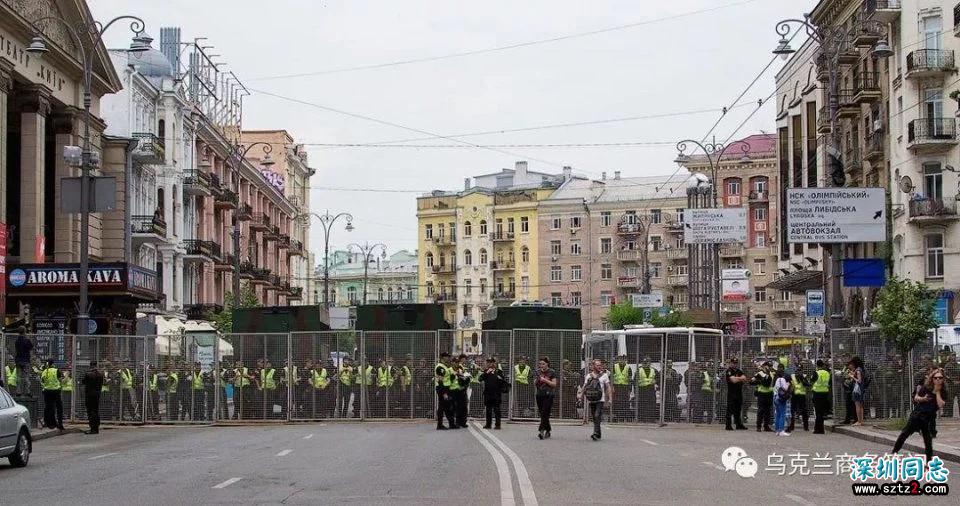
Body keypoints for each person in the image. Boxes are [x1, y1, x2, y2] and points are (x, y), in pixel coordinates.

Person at [892, 368, 948, 462]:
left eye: (940, 378)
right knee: (905, 433)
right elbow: (916, 397)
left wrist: (937, 392)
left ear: (943, 379)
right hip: (918, 415)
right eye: (936, 378)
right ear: (932, 378)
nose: (938, 380)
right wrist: (923, 399)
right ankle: (894, 452)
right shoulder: (926, 387)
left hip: (929, 418)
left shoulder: (943, 391)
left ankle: (928, 461)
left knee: (928, 440)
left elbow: (941, 404)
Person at [580, 359, 611, 441]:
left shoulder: (604, 375)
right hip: (592, 399)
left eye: (600, 365)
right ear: (593, 366)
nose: (599, 367)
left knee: (597, 415)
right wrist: (580, 396)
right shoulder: (589, 376)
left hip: (601, 399)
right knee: (594, 417)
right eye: (597, 365)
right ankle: (598, 433)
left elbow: (608, 387)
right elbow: (585, 386)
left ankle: (595, 433)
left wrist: (610, 399)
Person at [534, 357, 558, 440]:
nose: (541, 365)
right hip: (539, 394)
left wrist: (545, 380)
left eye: (543, 364)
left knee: (545, 412)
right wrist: (537, 380)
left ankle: (541, 430)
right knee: (543, 414)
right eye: (540, 364)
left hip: (548, 395)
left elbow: (554, 384)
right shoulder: (537, 372)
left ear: (547, 364)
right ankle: (548, 429)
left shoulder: (552, 372)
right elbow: (535, 383)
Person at [480, 357, 505, 429]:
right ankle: (488, 424)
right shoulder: (486, 371)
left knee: (497, 409)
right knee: (488, 409)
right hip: (488, 393)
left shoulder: (499, 371)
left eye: (491, 362)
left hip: (496, 393)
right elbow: (480, 379)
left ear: (494, 363)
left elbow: (503, 381)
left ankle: (498, 424)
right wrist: (487, 373)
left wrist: (500, 378)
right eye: (489, 362)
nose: (490, 364)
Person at [723, 357, 748, 430]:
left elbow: (744, 378)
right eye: (733, 363)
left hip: (739, 393)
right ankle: (728, 425)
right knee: (730, 410)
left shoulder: (739, 371)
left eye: (736, 363)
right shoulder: (729, 371)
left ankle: (738, 424)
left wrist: (737, 378)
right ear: (730, 363)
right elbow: (733, 380)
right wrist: (740, 378)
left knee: (738, 409)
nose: (735, 364)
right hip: (731, 393)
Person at [40, 359, 65, 431]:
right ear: (53, 364)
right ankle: (60, 424)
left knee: (48, 407)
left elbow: (42, 381)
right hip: (56, 391)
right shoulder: (56, 370)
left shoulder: (45, 371)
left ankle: (46, 423)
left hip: (47, 391)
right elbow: (60, 380)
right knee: (59, 408)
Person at [750, 361, 774, 432]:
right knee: (761, 411)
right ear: (764, 366)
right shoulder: (760, 373)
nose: (770, 367)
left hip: (769, 394)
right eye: (768, 366)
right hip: (762, 394)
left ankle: (766, 426)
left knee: (768, 411)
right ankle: (758, 426)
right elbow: (751, 382)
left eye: (770, 366)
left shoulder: (771, 374)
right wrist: (760, 381)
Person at [787, 362, 811, 433]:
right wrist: (789, 392)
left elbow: (807, 384)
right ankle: (791, 426)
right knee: (792, 411)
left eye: (800, 370)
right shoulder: (792, 376)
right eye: (797, 370)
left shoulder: (804, 376)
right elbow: (790, 385)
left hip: (802, 395)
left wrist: (802, 378)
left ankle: (806, 427)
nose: (798, 371)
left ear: (802, 370)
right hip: (794, 395)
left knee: (804, 411)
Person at [435, 352, 457, 430]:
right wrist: (444, 393)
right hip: (442, 388)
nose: (448, 358)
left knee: (448, 406)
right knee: (442, 406)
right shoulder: (440, 367)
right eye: (447, 357)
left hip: (447, 388)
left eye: (448, 356)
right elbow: (441, 381)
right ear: (443, 357)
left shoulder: (445, 366)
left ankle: (451, 424)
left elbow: (448, 378)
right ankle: (439, 425)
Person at [82, 361, 104, 434]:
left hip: (89, 395)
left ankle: (92, 428)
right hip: (97, 394)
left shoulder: (88, 374)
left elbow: (83, 382)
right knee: (96, 410)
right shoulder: (101, 374)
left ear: (90, 366)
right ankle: (96, 427)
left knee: (90, 411)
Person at [610, 355, 633, 422]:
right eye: (620, 359)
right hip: (616, 387)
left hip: (625, 387)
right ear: (618, 360)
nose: (622, 361)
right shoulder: (614, 367)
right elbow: (611, 378)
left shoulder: (628, 367)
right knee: (616, 402)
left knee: (625, 402)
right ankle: (617, 416)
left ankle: (624, 416)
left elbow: (630, 379)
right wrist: (612, 387)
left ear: (625, 360)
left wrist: (629, 389)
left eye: (623, 359)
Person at [811, 359, 831, 434]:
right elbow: (829, 382)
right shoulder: (827, 373)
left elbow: (812, 381)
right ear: (823, 365)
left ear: (817, 365)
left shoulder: (816, 373)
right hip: (825, 393)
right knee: (822, 412)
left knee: (818, 412)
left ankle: (817, 429)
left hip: (817, 393)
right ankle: (821, 429)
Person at [635, 357, 658, 423]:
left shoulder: (654, 370)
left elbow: (658, 378)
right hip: (642, 389)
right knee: (642, 404)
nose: (647, 364)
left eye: (648, 362)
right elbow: (635, 381)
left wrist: (655, 381)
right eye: (645, 362)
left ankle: (651, 419)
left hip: (651, 389)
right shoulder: (639, 370)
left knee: (651, 404)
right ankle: (642, 419)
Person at [14, 331, 34, 396]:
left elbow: (16, 349)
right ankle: (28, 392)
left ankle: (18, 392)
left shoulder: (17, 341)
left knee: (18, 377)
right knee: (26, 377)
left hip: (18, 361)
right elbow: (31, 347)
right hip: (26, 361)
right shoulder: (27, 340)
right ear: (24, 332)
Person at [773, 365, 791, 436]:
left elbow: (775, 388)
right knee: (782, 414)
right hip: (781, 398)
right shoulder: (782, 380)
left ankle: (777, 430)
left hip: (775, 397)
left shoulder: (776, 380)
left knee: (777, 414)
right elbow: (785, 388)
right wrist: (788, 384)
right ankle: (781, 430)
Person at [849, 357, 866, 426]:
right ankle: (861, 421)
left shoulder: (858, 370)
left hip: (857, 390)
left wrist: (852, 377)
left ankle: (859, 421)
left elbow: (859, 380)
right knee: (861, 405)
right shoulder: (860, 369)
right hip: (861, 389)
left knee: (857, 405)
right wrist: (853, 373)